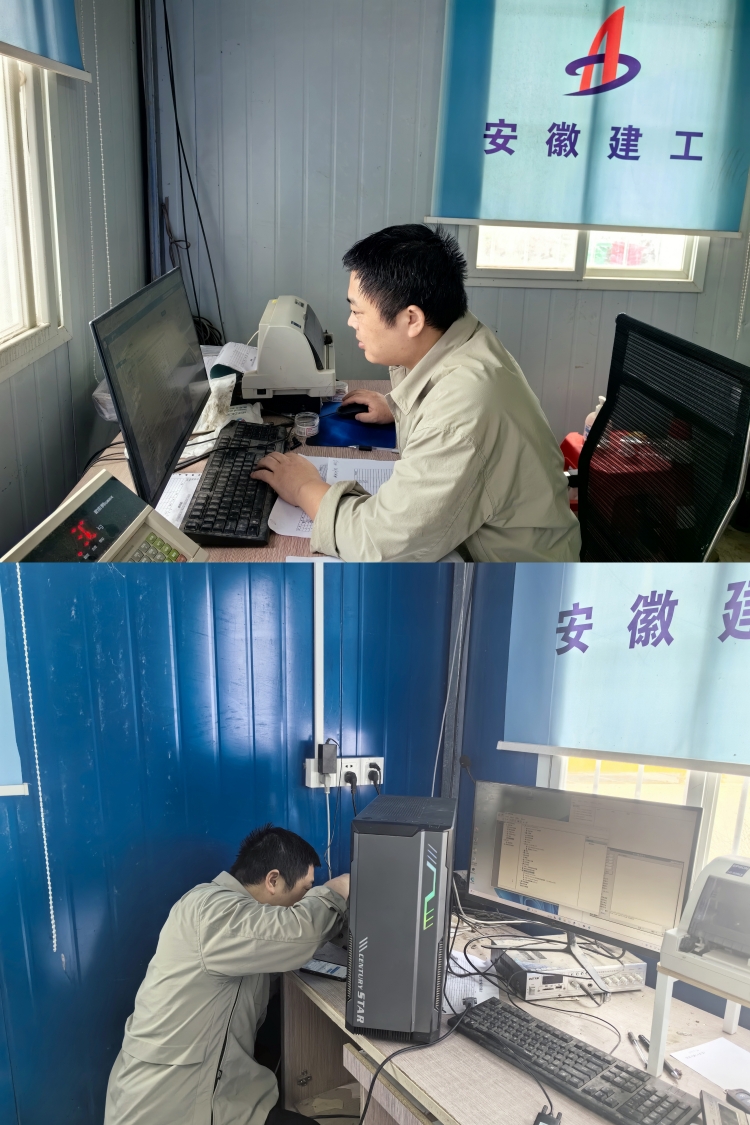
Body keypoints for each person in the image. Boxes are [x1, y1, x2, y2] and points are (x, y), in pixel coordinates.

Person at [252, 223, 581, 562]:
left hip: (510, 578)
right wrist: (398, 407)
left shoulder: (461, 414)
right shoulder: (462, 336)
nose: (351, 322)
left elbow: (379, 544)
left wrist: (304, 487)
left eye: (357, 311)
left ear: (412, 319)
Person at [103, 825, 349, 1125]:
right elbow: (300, 932)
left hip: (212, 1093)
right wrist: (337, 892)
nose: (305, 899)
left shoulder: (242, 927)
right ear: (273, 880)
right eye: (306, 890)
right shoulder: (209, 909)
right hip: (166, 1106)